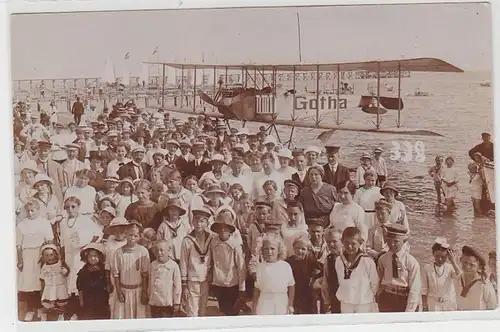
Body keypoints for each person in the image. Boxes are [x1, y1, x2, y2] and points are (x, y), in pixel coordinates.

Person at [16, 199, 55, 321]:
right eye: (28, 211)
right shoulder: (21, 225)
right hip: (27, 255)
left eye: (33, 210)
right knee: (29, 284)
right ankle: (31, 309)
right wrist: (20, 260)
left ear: (38, 210)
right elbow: (19, 245)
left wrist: (46, 258)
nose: (30, 213)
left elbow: (49, 241)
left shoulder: (44, 223)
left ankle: (42, 309)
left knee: (41, 282)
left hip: (41, 255)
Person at [376, 224, 420, 312]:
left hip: (403, 299)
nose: (392, 244)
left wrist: (409, 311)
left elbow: (415, 289)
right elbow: (378, 281)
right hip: (386, 299)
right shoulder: (383, 259)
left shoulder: (411, 262)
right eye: (389, 241)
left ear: (404, 241)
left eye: (396, 241)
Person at [209, 212, 246, 316]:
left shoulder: (235, 245)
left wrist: (242, 289)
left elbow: (241, 268)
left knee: (232, 312)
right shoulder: (213, 242)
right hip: (218, 283)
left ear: (231, 230)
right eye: (220, 227)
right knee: (222, 311)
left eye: (226, 228)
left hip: (231, 283)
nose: (223, 230)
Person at [111, 222, 151, 319]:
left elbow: (145, 274)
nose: (132, 237)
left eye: (135, 235)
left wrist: (144, 292)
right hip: (124, 291)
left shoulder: (143, 251)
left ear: (139, 236)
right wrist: (119, 291)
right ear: (125, 235)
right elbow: (116, 274)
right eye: (130, 235)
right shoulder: (119, 252)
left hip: (138, 290)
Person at [336, 227, 378, 313]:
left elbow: (374, 283)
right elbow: (340, 280)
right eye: (346, 243)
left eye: (353, 243)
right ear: (342, 241)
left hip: (363, 302)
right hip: (346, 301)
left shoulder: (367, 261)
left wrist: (368, 298)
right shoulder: (339, 260)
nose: (349, 246)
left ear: (360, 243)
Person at [180, 207, 213, 317]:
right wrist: (184, 284)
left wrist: (211, 272)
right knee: (192, 312)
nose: (199, 224)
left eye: (202, 221)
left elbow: (213, 258)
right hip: (192, 280)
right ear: (193, 222)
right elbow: (183, 262)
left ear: (207, 223)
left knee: (203, 311)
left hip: (205, 279)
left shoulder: (211, 238)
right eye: (196, 221)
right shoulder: (187, 240)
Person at [253, 236, 295, 315]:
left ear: (279, 250)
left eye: (272, 249)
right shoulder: (260, 267)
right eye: (266, 249)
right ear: (262, 250)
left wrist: (290, 304)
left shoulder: (285, 266)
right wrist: (254, 309)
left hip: (282, 303)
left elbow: (291, 286)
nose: (269, 252)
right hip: (264, 304)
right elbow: (256, 290)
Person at [421, 238, 461, 312]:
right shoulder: (427, 268)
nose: (440, 259)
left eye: (443, 257)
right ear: (433, 254)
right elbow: (424, 290)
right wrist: (424, 306)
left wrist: (453, 261)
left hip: (449, 304)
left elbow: (459, 276)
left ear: (448, 256)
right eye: (437, 256)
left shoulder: (450, 267)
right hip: (433, 304)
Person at [286, 236, 322, 314]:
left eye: (303, 249)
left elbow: (319, 271)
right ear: (293, 248)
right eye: (297, 248)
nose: (300, 251)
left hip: (307, 294)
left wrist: (314, 278)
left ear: (308, 250)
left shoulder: (310, 261)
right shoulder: (289, 262)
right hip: (294, 293)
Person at [455, 245, 497, 310]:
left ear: (479, 267)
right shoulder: (456, 280)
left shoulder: (485, 284)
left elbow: (492, 309)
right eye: (465, 262)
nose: (467, 267)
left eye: (472, 265)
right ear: (461, 260)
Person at [76, 243, 110, 320]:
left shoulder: (103, 270)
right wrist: (81, 301)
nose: (93, 258)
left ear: (100, 257)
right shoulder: (83, 271)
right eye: (90, 256)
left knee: (102, 317)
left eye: (95, 256)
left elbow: (107, 283)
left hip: (101, 299)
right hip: (88, 300)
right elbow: (79, 287)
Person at [148, 240, 182, 318]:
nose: (159, 253)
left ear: (168, 250)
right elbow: (150, 283)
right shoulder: (152, 265)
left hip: (167, 303)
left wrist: (177, 302)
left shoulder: (173, 266)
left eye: (161, 250)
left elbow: (177, 285)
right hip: (155, 303)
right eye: (156, 250)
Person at [39, 243, 70, 321]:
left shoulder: (60, 264)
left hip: (59, 287)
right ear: (43, 257)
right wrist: (42, 290)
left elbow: (66, 273)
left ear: (56, 255)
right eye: (46, 255)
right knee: (49, 304)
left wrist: (63, 268)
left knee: (61, 303)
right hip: (49, 287)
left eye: (51, 255)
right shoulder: (44, 266)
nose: (49, 257)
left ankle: (61, 315)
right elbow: (42, 279)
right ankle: (46, 315)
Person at [321, 228, 342, 314]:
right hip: (335, 297)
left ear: (341, 241)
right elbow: (325, 281)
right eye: (328, 242)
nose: (331, 244)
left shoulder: (349, 257)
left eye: (334, 241)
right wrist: (326, 300)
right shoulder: (328, 259)